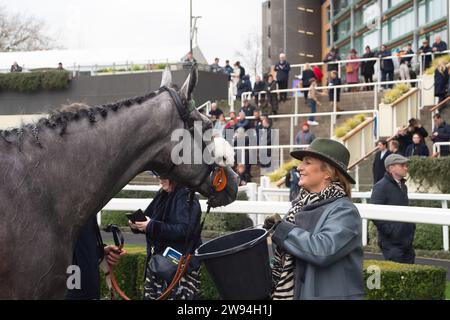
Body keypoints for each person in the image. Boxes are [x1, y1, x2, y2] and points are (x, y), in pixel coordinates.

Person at [264, 138, 363, 300]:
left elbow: (323, 250)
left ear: (328, 173)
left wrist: (283, 230)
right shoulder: (300, 205)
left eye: (307, 163)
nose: (299, 167)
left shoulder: (345, 211)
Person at [129, 177, 202, 300]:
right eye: (159, 176)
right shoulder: (162, 193)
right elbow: (148, 219)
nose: (160, 180)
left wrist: (151, 226)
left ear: (174, 177)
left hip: (180, 270)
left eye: (164, 177)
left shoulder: (186, 195)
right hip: (158, 266)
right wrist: (136, 225)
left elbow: (185, 231)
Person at [370, 154, 415, 264]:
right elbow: (374, 213)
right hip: (391, 243)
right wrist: (391, 231)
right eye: (402, 165)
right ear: (391, 168)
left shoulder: (403, 186)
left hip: (406, 241)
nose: (406, 168)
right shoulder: (381, 186)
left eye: (406, 165)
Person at [66, 217, 126, 300]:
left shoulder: (87, 213)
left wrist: (101, 252)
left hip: (89, 290)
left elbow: (82, 245)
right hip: (71, 290)